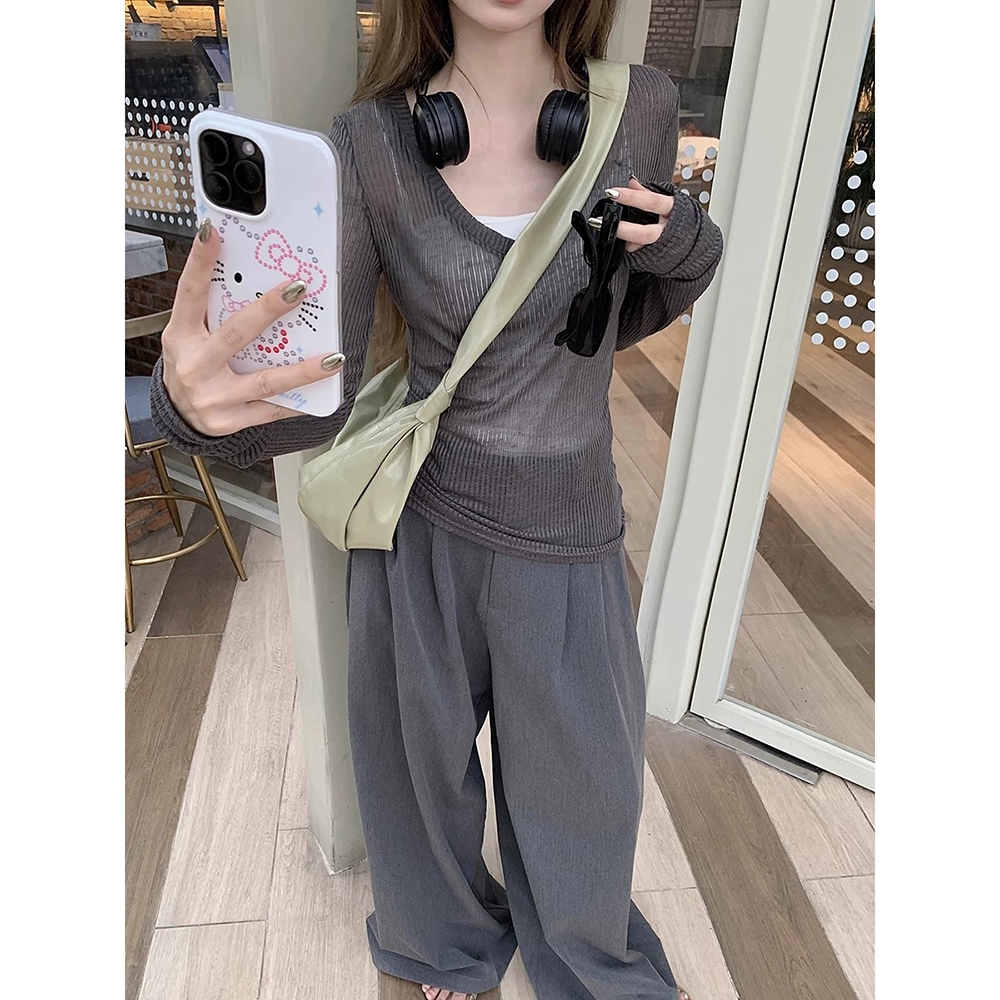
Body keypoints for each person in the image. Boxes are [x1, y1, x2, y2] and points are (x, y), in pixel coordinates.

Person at [151, 2, 723, 997]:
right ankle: (442, 937)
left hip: (572, 526)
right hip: (421, 527)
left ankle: (583, 952)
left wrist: (689, 243)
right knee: (415, 773)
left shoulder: (639, 108)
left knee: (584, 785)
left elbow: (612, 311)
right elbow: (320, 397)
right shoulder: (368, 146)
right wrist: (191, 412)